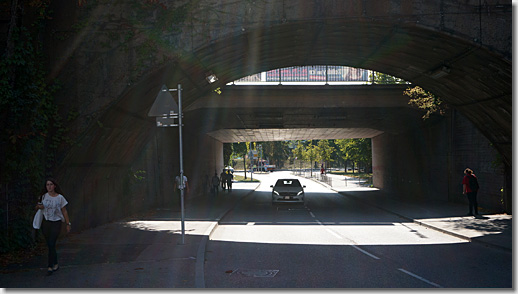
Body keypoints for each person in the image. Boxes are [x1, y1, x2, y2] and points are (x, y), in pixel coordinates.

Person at [35, 178, 71, 276]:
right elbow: (37, 206)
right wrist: (40, 207)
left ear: (54, 186)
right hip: (46, 223)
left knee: (51, 243)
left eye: (51, 184)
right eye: (47, 185)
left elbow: (64, 211)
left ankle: (50, 266)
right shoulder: (43, 197)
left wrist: (68, 223)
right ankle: (55, 263)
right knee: (50, 245)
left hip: (56, 223)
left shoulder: (60, 198)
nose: (49, 186)